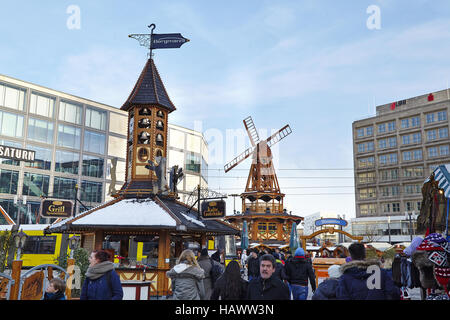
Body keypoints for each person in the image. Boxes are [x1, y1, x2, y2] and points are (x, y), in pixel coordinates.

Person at [336, 243, 400, 300]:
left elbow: (342, 296)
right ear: (364, 254)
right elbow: (392, 292)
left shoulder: (344, 278)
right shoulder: (382, 273)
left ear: (351, 256)